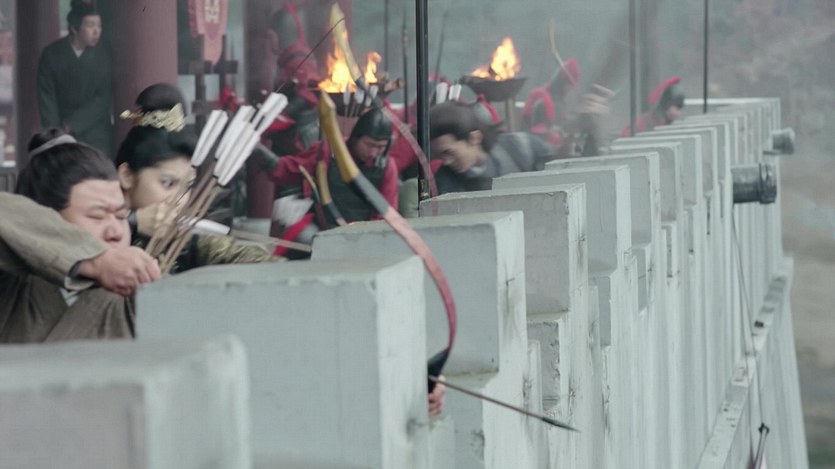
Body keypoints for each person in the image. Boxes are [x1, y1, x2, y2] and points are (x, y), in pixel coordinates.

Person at [0, 129, 160, 343]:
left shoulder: (144, 293)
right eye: (96, 216)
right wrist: (96, 260)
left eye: (121, 216)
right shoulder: (13, 283)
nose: (116, 231)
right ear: (45, 219)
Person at [118, 83, 280, 272]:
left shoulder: (182, 236)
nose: (179, 199)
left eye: (187, 186)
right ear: (127, 176)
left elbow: (231, 253)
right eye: (167, 183)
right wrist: (132, 221)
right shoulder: (98, 228)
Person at [260, 106, 400, 249]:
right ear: (356, 137)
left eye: (380, 147)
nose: (373, 153)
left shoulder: (387, 167)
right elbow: (289, 169)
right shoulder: (327, 152)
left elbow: (386, 214)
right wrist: (261, 154)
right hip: (321, 230)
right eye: (369, 145)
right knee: (304, 238)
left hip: (363, 238)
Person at [428, 100, 555, 194]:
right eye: (440, 156)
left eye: (448, 152)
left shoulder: (520, 146)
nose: (446, 162)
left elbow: (555, 171)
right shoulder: (445, 182)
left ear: (474, 138)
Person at [37, 0, 113, 155]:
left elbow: (103, 97)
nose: (96, 31)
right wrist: (54, 131)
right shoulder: (52, 54)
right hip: (61, 130)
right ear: (74, 28)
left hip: (96, 130)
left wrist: (73, 124)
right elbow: (47, 97)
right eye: (90, 25)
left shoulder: (104, 54)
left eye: (99, 26)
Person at [521, 57, 581, 149]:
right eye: (569, 85)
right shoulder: (539, 95)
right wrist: (551, 132)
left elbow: (562, 124)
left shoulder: (561, 101)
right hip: (537, 146)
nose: (569, 89)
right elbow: (530, 125)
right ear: (562, 81)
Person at [621, 76, 685, 137]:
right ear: (666, 105)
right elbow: (625, 137)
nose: (678, 113)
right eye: (677, 108)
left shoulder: (667, 123)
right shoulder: (643, 123)